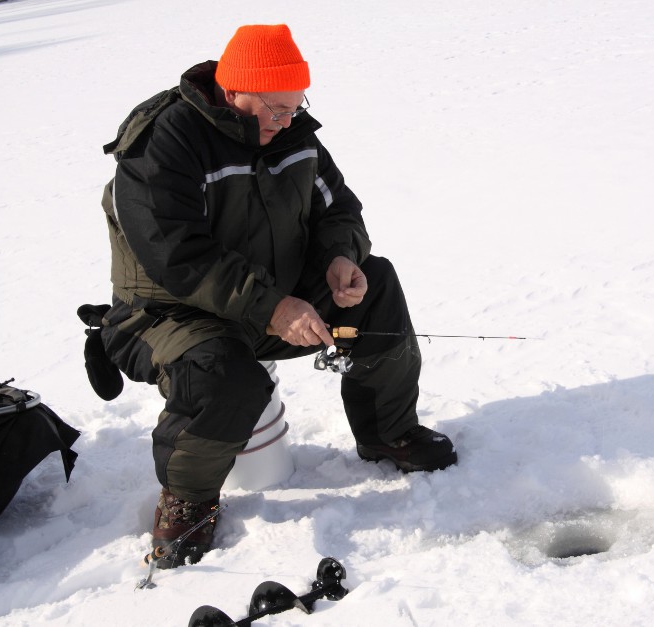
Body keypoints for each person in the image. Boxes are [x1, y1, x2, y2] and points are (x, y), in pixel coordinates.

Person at [91, 24, 457, 569]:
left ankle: (387, 434)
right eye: (275, 108)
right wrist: (274, 308)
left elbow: (341, 211)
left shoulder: (294, 136)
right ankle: (188, 500)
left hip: (272, 301)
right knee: (224, 375)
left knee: (374, 284)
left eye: (295, 106)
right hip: (170, 312)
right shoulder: (165, 142)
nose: (287, 120)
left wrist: (341, 258)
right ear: (234, 90)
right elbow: (176, 256)